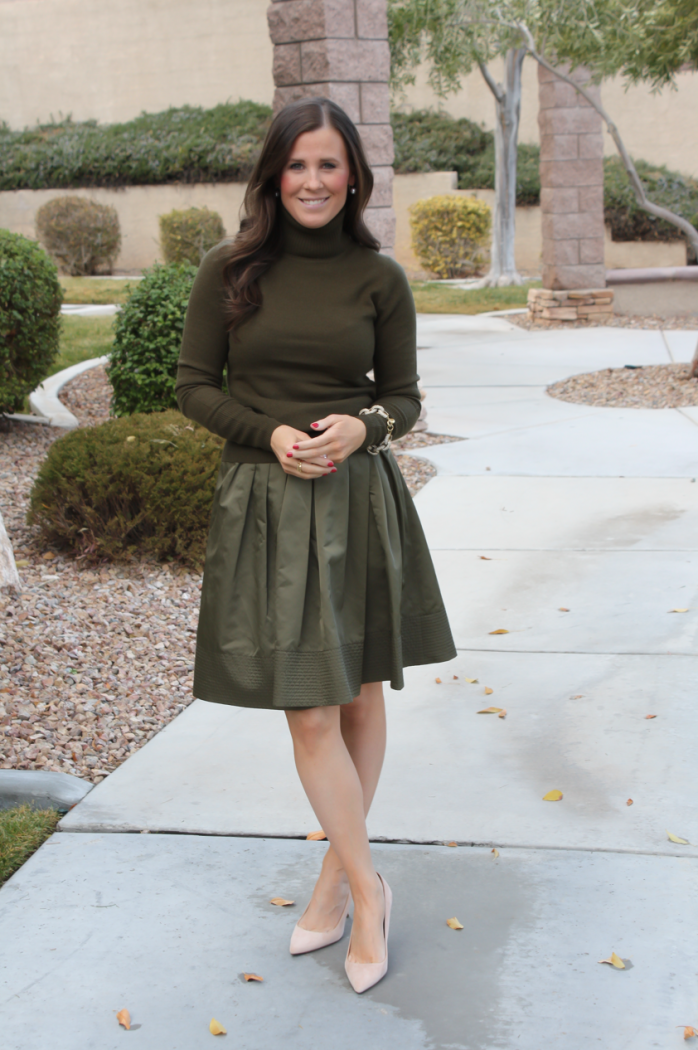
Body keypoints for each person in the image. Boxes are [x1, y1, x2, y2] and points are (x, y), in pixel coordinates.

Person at [176, 97, 456, 994]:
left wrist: (362, 428)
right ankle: (371, 884)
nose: (312, 181)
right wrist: (272, 437)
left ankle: (344, 882)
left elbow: (406, 399)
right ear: (273, 175)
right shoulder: (230, 269)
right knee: (310, 708)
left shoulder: (380, 276)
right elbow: (192, 386)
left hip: (356, 498)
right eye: (297, 165)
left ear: (353, 176)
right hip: (267, 499)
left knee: (363, 692)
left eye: (329, 165)